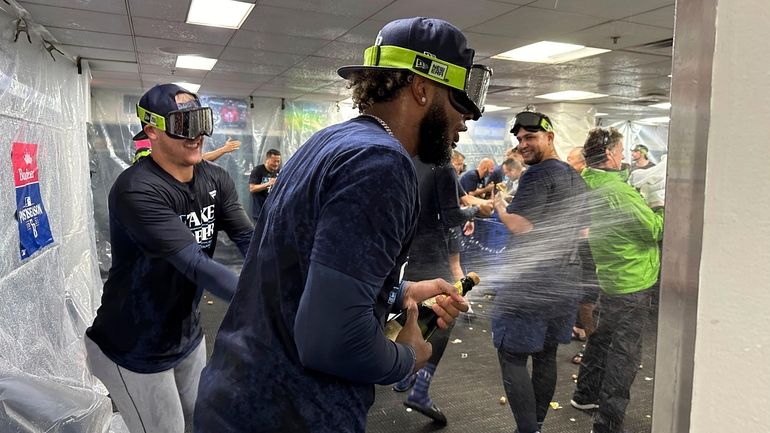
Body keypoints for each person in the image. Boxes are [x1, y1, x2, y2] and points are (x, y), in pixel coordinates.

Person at [194, 17, 485, 433]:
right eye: (459, 102)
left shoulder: (330, 142)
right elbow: (330, 341)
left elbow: (304, 269)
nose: (465, 120)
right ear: (423, 88)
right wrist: (408, 356)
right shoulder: (382, 165)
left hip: (238, 394)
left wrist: (396, 290)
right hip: (292, 413)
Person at [84, 83, 253, 433]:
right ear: (152, 131)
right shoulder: (138, 189)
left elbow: (250, 240)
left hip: (185, 333)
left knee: (202, 418)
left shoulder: (216, 179)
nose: (196, 137)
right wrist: (264, 299)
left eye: (201, 122)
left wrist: (292, 282)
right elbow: (195, 263)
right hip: (134, 344)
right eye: (183, 126)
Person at [491, 110, 588, 433]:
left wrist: (501, 209)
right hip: (564, 284)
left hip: (530, 286)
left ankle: (528, 430)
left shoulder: (537, 175)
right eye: (519, 139)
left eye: (530, 137)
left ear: (550, 137)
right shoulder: (575, 176)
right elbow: (584, 232)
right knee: (546, 356)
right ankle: (538, 425)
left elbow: (522, 226)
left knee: (513, 356)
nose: (523, 145)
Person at [570, 128, 664, 433]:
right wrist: (662, 208)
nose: (624, 155)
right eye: (621, 150)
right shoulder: (617, 191)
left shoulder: (589, 182)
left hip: (609, 276)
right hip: (632, 280)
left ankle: (584, 395)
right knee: (624, 354)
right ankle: (608, 424)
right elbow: (652, 229)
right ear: (609, 154)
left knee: (601, 340)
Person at [392, 156, 489, 424]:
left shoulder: (410, 159)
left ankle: (402, 371)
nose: (463, 128)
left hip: (410, 251)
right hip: (433, 255)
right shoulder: (442, 165)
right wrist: (476, 212)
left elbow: (460, 195)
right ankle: (419, 391)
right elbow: (450, 216)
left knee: (411, 311)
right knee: (442, 319)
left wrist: (472, 201)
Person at [248, 148, 281, 221]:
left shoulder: (278, 171)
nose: (276, 164)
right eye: (274, 161)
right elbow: (252, 188)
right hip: (260, 211)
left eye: (278, 161)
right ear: (267, 160)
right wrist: (268, 183)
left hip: (272, 211)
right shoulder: (258, 170)